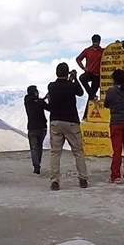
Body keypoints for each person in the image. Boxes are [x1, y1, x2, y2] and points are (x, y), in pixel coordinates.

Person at [46, 62, 88, 191]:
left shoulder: (51, 86)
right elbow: (80, 92)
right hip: (71, 121)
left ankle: (55, 181)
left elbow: (60, 86)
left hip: (55, 122)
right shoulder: (71, 85)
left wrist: (70, 79)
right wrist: (75, 79)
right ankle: (83, 179)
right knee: (78, 152)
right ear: (67, 73)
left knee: (55, 153)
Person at [104, 69, 124, 183]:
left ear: (114, 80)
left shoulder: (111, 91)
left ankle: (116, 175)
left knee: (117, 150)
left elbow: (106, 104)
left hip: (116, 123)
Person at [24, 85, 49, 174]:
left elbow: (36, 101)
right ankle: (38, 163)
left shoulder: (27, 101)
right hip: (42, 127)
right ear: (35, 92)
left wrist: (43, 98)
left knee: (34, 148)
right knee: (39, 147)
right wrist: (47, 99)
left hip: (32, 128)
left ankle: (36, 166)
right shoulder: (39, 102)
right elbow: (49, 108)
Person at [76, 34, 104, 102]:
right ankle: (92, 95)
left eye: (97, 42)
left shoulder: (102, 51)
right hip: (89, 73)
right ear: (92, 42)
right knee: (82, 78)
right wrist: (83, 68)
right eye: (95, 42)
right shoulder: (87, 50)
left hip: (97, 76)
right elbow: (78, 59)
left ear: (99, 42)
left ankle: (88, 110)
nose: (96, 44)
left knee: (91, 98)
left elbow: (111, 53)